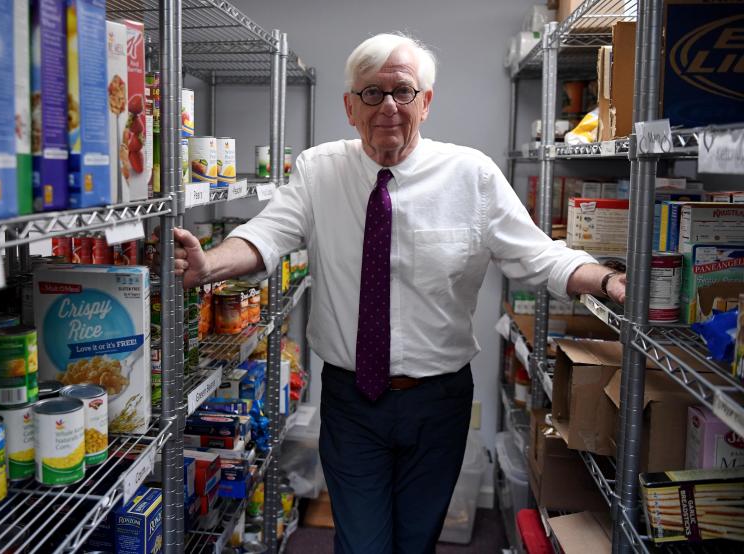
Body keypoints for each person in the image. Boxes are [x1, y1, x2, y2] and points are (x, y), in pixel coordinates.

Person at [173, 33, 627, 554]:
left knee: (416, 542)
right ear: (350, 107)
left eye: (403, 92)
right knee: (362, 543)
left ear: (426, 103)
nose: (387, 106)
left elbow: (541, 256)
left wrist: (608, 280)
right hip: (350, 400)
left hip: (438, 401)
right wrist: (210, 264)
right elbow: (265, 235)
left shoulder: (471, 176)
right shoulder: (319, 170)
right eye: (371, 93)